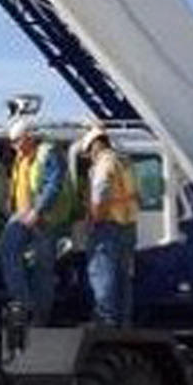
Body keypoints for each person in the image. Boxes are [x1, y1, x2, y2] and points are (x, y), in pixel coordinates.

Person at [0, 126, 73, 323]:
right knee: (7, 250)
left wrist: (38, 211)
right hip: (22, 214)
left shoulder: (48, 153)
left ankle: (40, 317)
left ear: (28, 137)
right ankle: (24, 303)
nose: (14, 146)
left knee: (43, 267)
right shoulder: (21, 158)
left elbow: (53, 184)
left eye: (17, 141)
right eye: (12, 143)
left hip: (45, 218)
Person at [80, 127, 137, 326]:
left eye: (89, 153)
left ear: (95, 146)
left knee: (102, 274)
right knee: (123, 280)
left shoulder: (104, 163)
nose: (90, 157)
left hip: (108, 227)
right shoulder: (124, 161)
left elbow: (100, 191)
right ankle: (122, 324)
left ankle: (105, 321)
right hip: (128, 226)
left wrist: (94, 220)